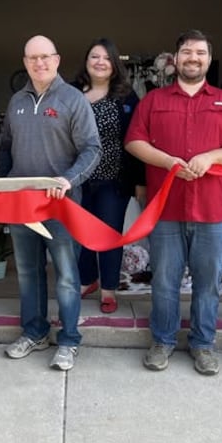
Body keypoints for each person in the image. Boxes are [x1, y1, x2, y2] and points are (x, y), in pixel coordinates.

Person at [125, 29, 222, 375]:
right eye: (186, 52)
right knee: (164, 281)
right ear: (175, 59)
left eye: (199, 52)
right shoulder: (153, 101)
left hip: (211, 211)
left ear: (209, 59)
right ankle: (163, 341)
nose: (192, 58)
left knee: (208, 281)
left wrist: (211, 157)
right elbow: (134, 142)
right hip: (166, 208)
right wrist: (168, 162)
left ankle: (202, 344)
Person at [0, 35, 101, 371]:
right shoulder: (16, 102)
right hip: (22, 205)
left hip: (61, 205)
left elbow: (92, 149)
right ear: (25, 62)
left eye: (45, 57)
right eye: (32, 58)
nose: (39, 63)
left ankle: (69, 340)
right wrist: (0, 189)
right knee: (28, 273)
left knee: (68, 277)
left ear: (56, 59)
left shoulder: (73, 100)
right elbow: (6, 149)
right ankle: (35, 332)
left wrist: (68, 179)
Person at [72, 38, 145, 313]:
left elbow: (137, 140)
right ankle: (87, 279)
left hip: (114, 179)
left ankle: (109, 289)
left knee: (109, 234)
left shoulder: (127, 96)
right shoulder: (71, 92)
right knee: (82, 233)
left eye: (106, 58)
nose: (100, 62)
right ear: (87, 61)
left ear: (114, 64)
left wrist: (139, 182)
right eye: (94, 57)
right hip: (77, 179)